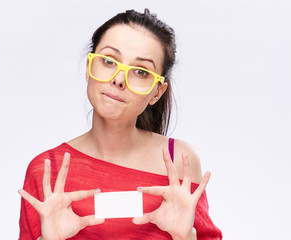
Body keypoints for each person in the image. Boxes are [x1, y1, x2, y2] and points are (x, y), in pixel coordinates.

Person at [18, 9, 222, 240]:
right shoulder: (46, 169)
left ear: (157, 92)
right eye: (108, 61)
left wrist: (185, 237)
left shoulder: (179, 161)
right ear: (89, 68)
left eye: (140, 72)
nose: (118, 79)